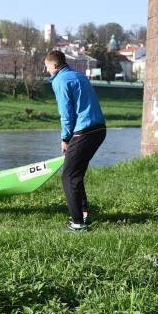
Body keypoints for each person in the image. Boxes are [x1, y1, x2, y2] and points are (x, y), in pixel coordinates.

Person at [44, 50, 106, 232]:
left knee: (68, 176)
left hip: (84, 130)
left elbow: (66, 113)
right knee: (76, 173)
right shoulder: (77, 75)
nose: (46, 70)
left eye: (47, 66)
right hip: (99, 128)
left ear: (54, 66)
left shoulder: (60, 80)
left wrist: (65, 138)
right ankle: (84, 215)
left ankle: (77, 224)